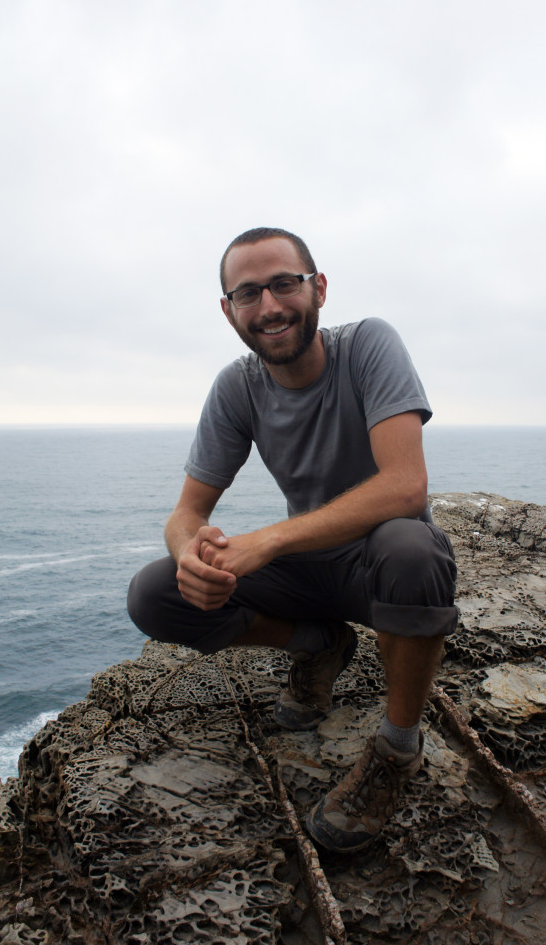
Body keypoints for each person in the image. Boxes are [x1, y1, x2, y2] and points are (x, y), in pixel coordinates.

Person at [127, 226, 458, 854]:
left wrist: (268, 541)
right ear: (228, 311)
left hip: (374, 566)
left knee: (411, 550)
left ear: (319, 289)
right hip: (310, 574)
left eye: (285, 283)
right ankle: (318, 645)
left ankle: (397, 747)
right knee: (155, 595)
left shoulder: (368, 346)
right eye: (248, 293)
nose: (270, 306)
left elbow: (405, 487)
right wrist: (189, 555)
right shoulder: (238, 386)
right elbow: (186, 513)